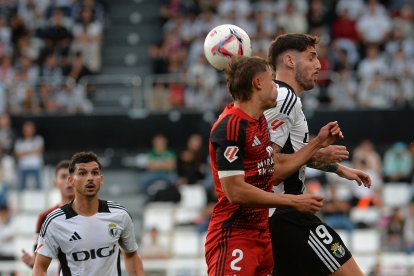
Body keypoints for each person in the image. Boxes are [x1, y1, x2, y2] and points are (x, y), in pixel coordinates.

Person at [205, 55, 344, 275]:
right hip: (235, 234)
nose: (277, 89)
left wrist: (317, 143)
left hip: (262, 236)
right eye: (272, 81)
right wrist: (292, 201)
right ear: (258, 83)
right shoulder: (230, 126)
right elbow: (235, 192)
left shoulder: (259, 122)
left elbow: (270, 170)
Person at [265, 33, 371, 276]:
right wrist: (317, 146)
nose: (319, 65)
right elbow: (271, 169)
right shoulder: (284, 99)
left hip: (280, 218)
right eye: (311, 57)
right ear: (290, 61)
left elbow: (291, 154)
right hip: (288, 216)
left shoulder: (285, 99)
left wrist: (339, 169)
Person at [33, 151, 144, 275]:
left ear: (101, 180)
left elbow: (131, 255)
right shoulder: (54, 222)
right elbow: (40, 267)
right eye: (82, 173)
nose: (90, 178)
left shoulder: (120, 215)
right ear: (71, 180)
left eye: (95, 173)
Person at [21, 160, 74, 268]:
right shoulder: (45, 217)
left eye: (72, 176)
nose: (68, 181)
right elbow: (38, 260)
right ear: (55, 183)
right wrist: (34, 263)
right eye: (63, 177)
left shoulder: (92, 212)